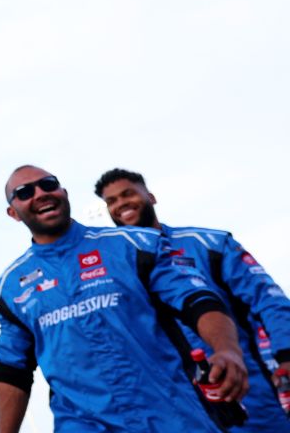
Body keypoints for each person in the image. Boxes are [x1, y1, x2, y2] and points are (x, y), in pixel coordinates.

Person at [0, 164, 249, 432]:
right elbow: (11, 368)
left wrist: (227, 349)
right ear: (13, 213)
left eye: (48, 184)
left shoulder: (134, 245)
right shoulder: (11, 288)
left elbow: (197, 300)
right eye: (24, 192)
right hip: (82, 424)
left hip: (172, 416)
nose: (40, 193)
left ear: (64, 192)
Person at [97, 167, 290, 432]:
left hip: (246, 395)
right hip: (175, 411)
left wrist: (286, 354)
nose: (121, 204)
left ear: (151, 197)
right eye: (111, 201)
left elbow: (269, 301)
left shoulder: (209, 243)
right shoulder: (112, 270)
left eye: (127, 194)